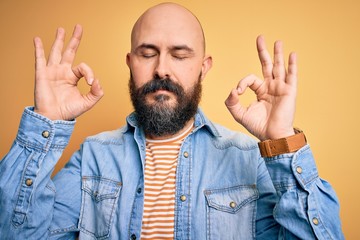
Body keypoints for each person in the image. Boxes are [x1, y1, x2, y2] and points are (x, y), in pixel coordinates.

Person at [0, 2, 344, 239]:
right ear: (130, 62)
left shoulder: (250, 159)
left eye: (180, 54)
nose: (162, 68)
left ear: (203, 67)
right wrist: (45, 122)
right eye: (148, 53)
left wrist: (282, 140)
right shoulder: (92, 157)